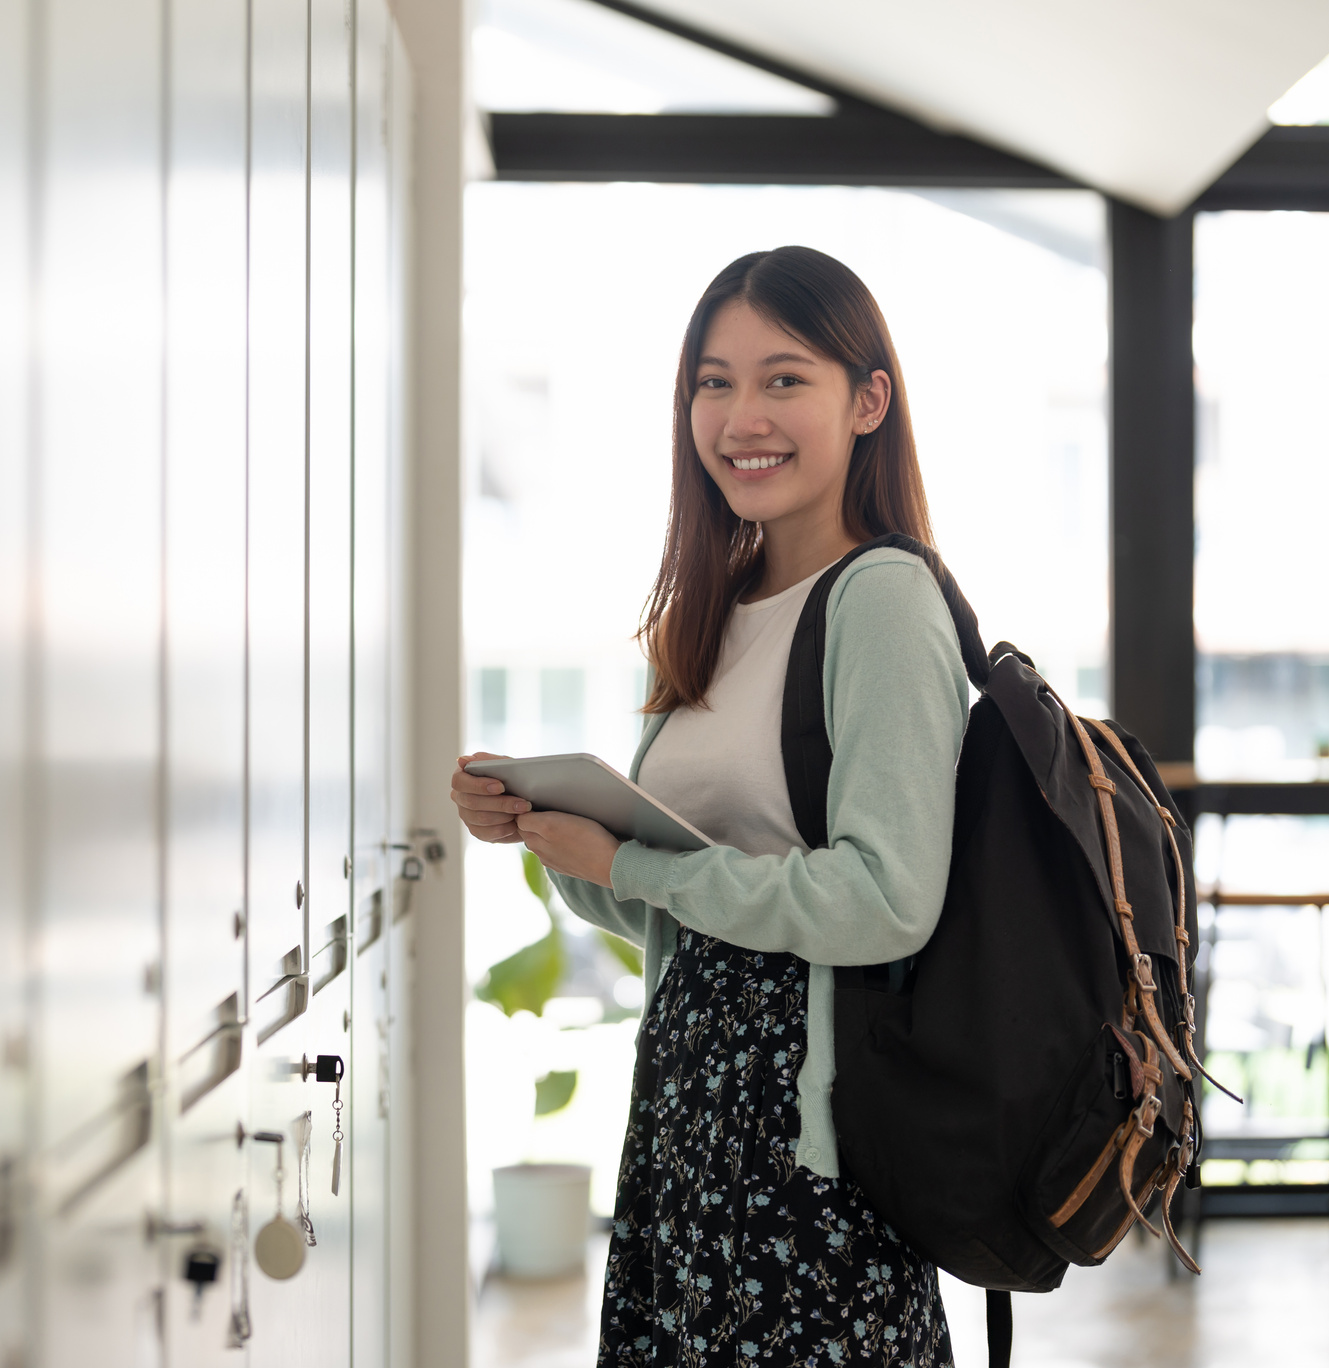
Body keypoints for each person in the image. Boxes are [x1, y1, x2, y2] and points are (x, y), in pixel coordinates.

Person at [451, 246, 971, 1366]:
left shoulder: (883, 598)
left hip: (804, 1157)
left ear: (868, 401)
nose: (742, 415)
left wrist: (631, 866)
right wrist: (554, 837)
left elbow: (887, 900)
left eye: (785, 379)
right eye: (713, 380)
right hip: (690, 1130)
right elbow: (680, 914)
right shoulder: (719, 605)